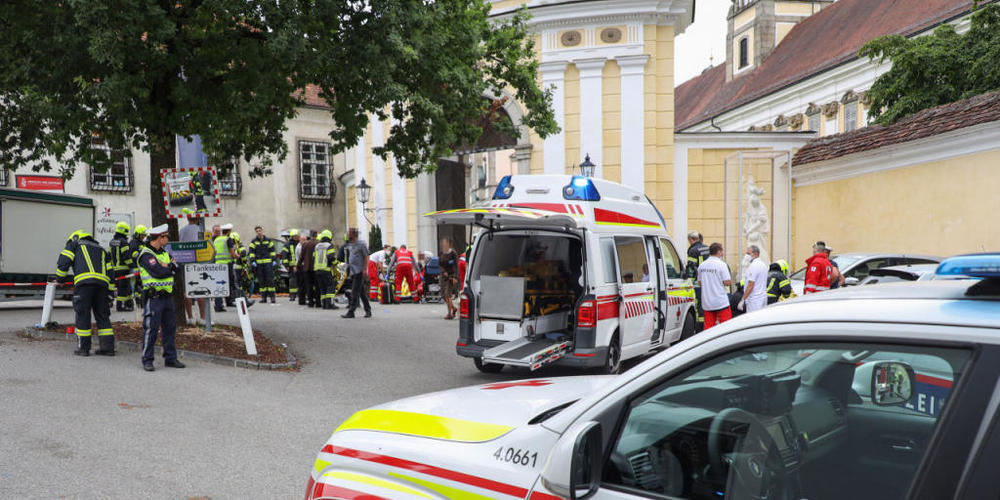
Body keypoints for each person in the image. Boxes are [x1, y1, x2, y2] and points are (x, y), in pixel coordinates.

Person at [56, 230, 115, 357]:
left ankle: (83, 348)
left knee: (83, 315)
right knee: (103, 316)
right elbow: (110, 272)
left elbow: (64, 261)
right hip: (102, 286)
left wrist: (60, 279)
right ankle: (108, 348)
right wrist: (110, 292)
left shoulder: (74, 244)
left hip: (84, 285)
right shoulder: (101, 249)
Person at [137, 224, 185, 371]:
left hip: (167, 298)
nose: (167, 239)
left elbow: (178, 267)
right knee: (151, 329)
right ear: (159, 237)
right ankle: (147, 360)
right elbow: (157, 272)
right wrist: (169, 267)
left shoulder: (164, 253)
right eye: (166, 236)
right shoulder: (146, 254)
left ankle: (170, 358)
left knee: (170, 329)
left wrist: (167, 266)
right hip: (154, 298)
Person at [696, 243, 732, 329]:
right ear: (719, 251)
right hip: (721, 301)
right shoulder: (722, 264)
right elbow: (728, 282)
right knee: (727, 327)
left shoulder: (702, 265)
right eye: (722, 251)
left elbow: (700, 283)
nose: (722, 253)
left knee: (709, 328)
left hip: (707, 302)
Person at [179, 215, 206, 325]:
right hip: (198, 263)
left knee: (187, 291)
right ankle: (203, 318)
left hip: (184, 263)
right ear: (198, 219)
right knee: (200, 290)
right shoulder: (201, 230)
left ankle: (190, 317)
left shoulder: (181, 231)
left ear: (188, 219)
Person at [342, 228, 372, 318]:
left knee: (354, 292)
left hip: (359, 271)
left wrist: (365, 269)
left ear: (354, 234)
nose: (348, 234)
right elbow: (351, 258)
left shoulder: (361, 244)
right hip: (354, 271)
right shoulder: (350, 244)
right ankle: (368, 310)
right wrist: (350, 272)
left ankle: (351, 312)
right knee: (362, 293)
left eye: (349, 233)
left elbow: (366, 256)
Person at [685, 231, 710, 328]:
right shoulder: (707, 248)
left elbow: (691, 268)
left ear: (691, 239)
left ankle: (699, 326)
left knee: (698, 303)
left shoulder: (693, 250)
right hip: (708, 280)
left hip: (698, 281)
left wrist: (689, 282)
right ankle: (707, 322)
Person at [109, 221, 134, 311]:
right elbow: (126, 256)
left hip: (114, 269)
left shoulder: (112, 242)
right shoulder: (123, 242)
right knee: (123, 288)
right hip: (123, 269)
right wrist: (132, 265)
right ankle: (120, 306)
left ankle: (128, 304)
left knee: (123, 287)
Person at [249, 226, 277, 304]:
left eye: (260, 230)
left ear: (262, 231)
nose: (259, 232)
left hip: (268, 264)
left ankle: (272, 298)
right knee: (261, 281)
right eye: (257, 231)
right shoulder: (254, 241)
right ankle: (263, 298)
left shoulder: (268, 240)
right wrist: (253, 261)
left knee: (270, 281)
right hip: (259, 265)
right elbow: (251, 252)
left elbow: (272, 251)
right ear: (256, 232)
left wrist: (274, 260)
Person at [213, 223, 237, 311]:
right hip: (227, 264)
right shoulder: (228, 239)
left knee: (219, 284)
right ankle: (229, 301)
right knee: (230, 283)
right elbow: (233, 254)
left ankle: (218, 304)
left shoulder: (216, 240)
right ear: (229, 231)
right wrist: (238, 256)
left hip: (217, 265)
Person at [314, 230, 339, 310]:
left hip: (317, 269)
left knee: (322, 287)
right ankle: (329, 304)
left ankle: (324, 304)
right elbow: (331, 257)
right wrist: (336, 263)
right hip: (326, 269)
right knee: (330, 286)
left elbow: (313, 257)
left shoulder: (317, 246)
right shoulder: (329, 245)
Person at [738, 245, 768, 313]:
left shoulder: (753, 266)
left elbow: (751, 284)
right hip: (762, 297)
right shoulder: (763, 264)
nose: (746, 256)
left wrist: (743, 299)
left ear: (756, 254)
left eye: (748, 253)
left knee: (753, 318)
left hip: (754, 300)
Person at [439, 237, 459, 319]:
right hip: (443, 276)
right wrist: (443, 271)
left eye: (444, 243)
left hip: (451, 277)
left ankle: (449, 314)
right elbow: (439, 264)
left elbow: (456, 266)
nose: (443, 245)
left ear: (448, 244)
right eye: (442, 243)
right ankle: (453, 308)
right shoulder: (441, 253)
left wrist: (455, 277)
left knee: (448, 295)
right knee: (443, 295)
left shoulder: (453, 253)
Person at [298, 230, 318, 307]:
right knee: (317, 285)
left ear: (310, 235)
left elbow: (301, 256)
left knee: (308, 285)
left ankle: (310, 302)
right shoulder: (318, 244)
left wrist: (298, 265)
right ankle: (318, 301)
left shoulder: (305, 244)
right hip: (316, 268)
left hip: (307, 268)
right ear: (316, 235)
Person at [129, 224, 148, 306]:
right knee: (136, 285)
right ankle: (137, 299)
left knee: (141, 284)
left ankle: (141, 299)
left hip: (142, 267)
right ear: (137, 234)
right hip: (135, 267)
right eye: (141, 235)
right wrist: (141, 256)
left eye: (144, 235)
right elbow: (133, 254)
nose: (143, 237)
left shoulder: (143, 243)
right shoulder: (134, 242)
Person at [283, 229, 301, 301]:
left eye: (297, 236)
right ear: (291, 236)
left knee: (301, 280)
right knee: (292, 281)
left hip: (300, 266)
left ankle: (301, 295)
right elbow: (284, 255)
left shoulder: (300, 243)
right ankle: (292, 295)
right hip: (291, 266)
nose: (296, 237)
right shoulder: (287, 244)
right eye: (294, 236)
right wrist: (286, 265)